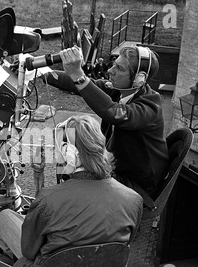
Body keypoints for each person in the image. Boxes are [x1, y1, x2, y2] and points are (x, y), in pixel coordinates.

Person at [0, 115, 143, 267]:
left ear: (70, 154)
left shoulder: (48, 199)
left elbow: (28, 250)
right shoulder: (134, 199)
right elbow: (125, 243)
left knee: (4, 218)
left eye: (56, 149)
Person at [44, 45, 169, 208]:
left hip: (136, 185)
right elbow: (89, 86)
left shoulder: (150, 107)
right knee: (70, 158)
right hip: (118, 169)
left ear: (139, 78)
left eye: (119, 68)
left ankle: (70, 216)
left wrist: (77, 74)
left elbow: (113, 112)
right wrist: (42, 73)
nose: (111, 70)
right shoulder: (120, 90)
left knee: (73, 172)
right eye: (114, 64)